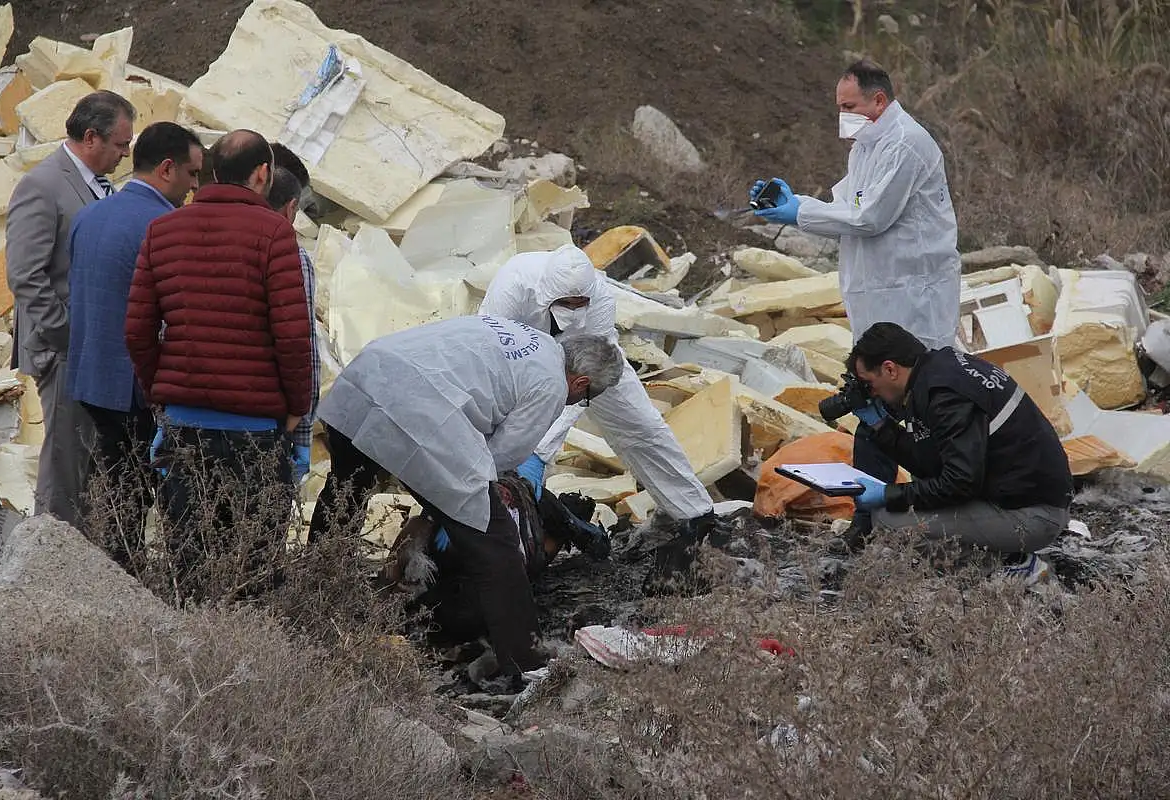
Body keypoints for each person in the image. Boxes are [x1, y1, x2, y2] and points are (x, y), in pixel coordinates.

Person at [307, 314, 624, 679]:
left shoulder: (526, 338)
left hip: (368, 376)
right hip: (416, 407)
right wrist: (455, 507)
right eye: (585, 398)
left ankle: (314, 589)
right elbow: (501, 457)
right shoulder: (552, 384)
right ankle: (526, 663)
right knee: (496, 542)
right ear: (581, 382)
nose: (577, 402)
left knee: (346, 492)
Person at [749, 59, 961, 550]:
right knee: (870, 400)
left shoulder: (906, 144)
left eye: (849, 106)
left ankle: (942, 510)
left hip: (914, 299)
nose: (842, 115)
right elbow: (847, 206)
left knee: (925, 405)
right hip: (880, 297)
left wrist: (799, 214)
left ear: (878, 100)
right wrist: (796, 202)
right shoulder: (868, 145)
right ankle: (871, 518)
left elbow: (870, 218)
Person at [126, 129, 313, 601]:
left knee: (190, 564)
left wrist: (160, 394)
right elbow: (293, 337)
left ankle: (193, 644)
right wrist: (297, 406)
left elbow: (138, 331)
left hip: (185, 428)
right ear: (263, 174)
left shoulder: (163, 230)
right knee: (254, 571)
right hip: (255, 432)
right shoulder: (274, 233)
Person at [478, 244, 716, 591]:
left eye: (581, 304)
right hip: (519, 364)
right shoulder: (513, 286)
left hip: (592, 361)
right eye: (566, 304)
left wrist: (539, 450)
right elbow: (491, 351)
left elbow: (583, 375)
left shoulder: (600, 297)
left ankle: (694, 515)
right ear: (546, 294)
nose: (574, 311)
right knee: (504, 445)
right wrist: (522, 441)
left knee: (644, 428)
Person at [66, 121, 203, 571]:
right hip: (135, 385)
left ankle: (103, 570)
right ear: (166, 168)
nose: (194, 187)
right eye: (191, 174)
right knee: (142, 497)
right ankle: (124, 580)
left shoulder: (90, 215)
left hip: (90, 377)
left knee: (113, 488)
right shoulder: (163, 226)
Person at [844, 322, 1072, 576]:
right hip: (1022, 497)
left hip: (1034, 515)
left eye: (869, 384)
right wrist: (881, 427)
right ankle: (1005, 554)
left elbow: (959, 482)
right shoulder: (940, 370)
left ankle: (1008, 564)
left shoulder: (946, 396)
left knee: (888, 520)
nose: (872, 393)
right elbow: (934, 463)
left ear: (890, 369)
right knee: (911, 499)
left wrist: (888, 494)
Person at [6, 90, 136, 527]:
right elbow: (25, 274)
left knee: (88, 461)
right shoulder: (43, 185)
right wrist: (65, 335)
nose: (125, 154)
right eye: (120, 144)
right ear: (91, 137)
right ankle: (47, 551)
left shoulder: (99, 184)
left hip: (92, 349)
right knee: (64, 461)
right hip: (63, 349)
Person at [265, 163, 319, 485]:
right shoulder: (293, 258)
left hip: (189, 418)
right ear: (291, 207)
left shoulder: (196, 241)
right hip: (265, 422)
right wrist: (302, 432)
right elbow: (301, 347)